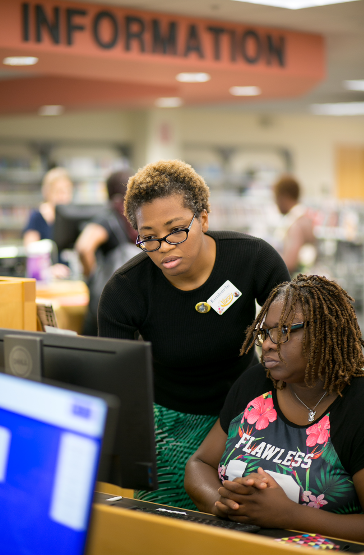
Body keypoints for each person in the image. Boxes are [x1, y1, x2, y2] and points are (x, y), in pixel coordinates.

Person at [98, 159, 290, 509]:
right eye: (149, 238)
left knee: (254, 517)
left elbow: (297, 336)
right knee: (168, 522)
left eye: (176, 230)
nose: (165, 247)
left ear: (203, 217)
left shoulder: (252, 259)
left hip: (252, 413)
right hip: (171, 421)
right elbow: (119, 387)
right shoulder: (125, 290)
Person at [185, 274, 364, 543]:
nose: (268, 343)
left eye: (283, 331)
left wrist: (290, 516)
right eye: (265, 332)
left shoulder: (359, 405)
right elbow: (199, 464)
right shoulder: (255, 382)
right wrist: (224, 505)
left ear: (322, 333)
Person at [75, 169, 138, 336]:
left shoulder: (109, 216)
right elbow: (84, 247)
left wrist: (92, 278)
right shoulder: (135, 216)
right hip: (128, 299)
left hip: (106, 298)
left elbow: (83, 248)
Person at [23, 167, 73, 279]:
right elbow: (30, 251)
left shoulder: (70, 218)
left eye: (67, 192)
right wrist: (49, 270)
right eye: (59, 191)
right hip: (44, 278)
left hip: (67, 277)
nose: (64, 196)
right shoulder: (37, 216)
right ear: (47, 192)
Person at [273, 175, 316, 275]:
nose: (275, 202)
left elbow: (290, 263)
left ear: (284, 196)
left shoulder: (295, 224)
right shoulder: (305, 217)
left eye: (276, 197)